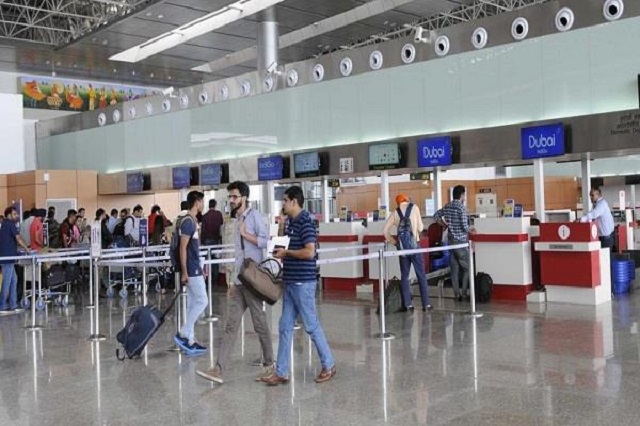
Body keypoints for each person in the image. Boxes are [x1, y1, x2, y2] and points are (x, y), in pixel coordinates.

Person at [197, 181, 274, 384]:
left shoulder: (255, 217)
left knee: (259, 323)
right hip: (240, 281)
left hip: (253, 280)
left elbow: (265, 241)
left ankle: (269, 364)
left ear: (244, 198)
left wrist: (246, 234)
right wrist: (232, 281)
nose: (231, 200)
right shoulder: (236, 220)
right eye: (229, 197)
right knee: (231, 325)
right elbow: (237, 256)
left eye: (234, 196)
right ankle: (218, 369)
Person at [263, 185, 336, 386]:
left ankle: (329, 364)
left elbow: (310, 252)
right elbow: (287, 245)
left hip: (303, 283)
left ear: (294, 201)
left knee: (311, 325)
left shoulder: (305, 222)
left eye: (285, 200)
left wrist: (287, 253)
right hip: (290, 282)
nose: (283, 204)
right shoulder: (291, 222)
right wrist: (281, 231)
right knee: (285, 326)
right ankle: (281, 371)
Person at [173, 191, 208, 356]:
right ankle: (184, 332)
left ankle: (190, 341)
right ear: (197, 202)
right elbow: (183, 248)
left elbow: (192, 249)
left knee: (193, 303)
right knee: (202, 301)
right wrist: (185, 272)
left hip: (195, 267)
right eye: (202, 201)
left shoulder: (191, 220)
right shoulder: (188, 222)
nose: (203, 204)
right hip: (191, 269)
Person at [383, 194, 432, 312]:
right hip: (415, 246)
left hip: (403, 248)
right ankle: (426, 304)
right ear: (406, 200)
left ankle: (408, 305)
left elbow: (384, 231)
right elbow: (420, 228)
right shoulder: (414, 208)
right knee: (421, 275)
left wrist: (394, 242)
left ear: (397, 203)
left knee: (404, 276)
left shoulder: (395, 213)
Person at [434, 185, 472, 302]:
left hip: (451, 243)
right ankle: (464, 293)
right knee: (467, 268)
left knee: (454, 270)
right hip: (460, 243)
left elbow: (436, 216)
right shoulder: (461, 208)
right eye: (464, 195)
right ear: (462, 195)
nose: (465, 197)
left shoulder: (448, 206)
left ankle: (457, 294)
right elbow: (465, 227)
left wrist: (444, 225)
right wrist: (472, 229)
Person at [0, 206, 30, 314]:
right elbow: (18, 238)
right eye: (14, 214)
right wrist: (27, 248)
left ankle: (13, 304)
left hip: (9, 258)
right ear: (8, 215)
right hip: (7, 258)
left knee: (14, 280)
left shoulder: (4, 224)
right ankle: (2, 305)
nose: (16, 216)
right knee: (7, 282)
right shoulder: (10, 224)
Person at [201, 199, 223, 286]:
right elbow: (221, 227)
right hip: (216, 239)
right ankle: (215, 279)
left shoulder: (205, 216)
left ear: (209, 205)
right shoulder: (219, 214)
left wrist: (202, 241)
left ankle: (207, 278)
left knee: (207, 260)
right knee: (215, 260)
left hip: (207, 240)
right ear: (215, 205)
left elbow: (203, 230)